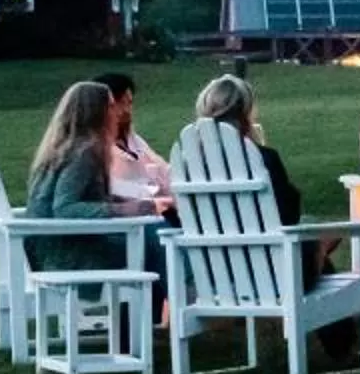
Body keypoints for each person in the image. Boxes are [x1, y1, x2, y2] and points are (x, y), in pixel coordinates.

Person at [194, 73, 330, 305]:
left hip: (218, 278)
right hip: (273, 276)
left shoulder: (192, 166)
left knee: (315, 242)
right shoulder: (265, 159)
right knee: (311, 234)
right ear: (246, 113)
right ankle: (338, 326)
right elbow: (289, 217)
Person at [24, 81, 159, 276]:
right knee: (156, 240)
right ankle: (185, 289)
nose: (117, 113)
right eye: (111, 106)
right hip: (70, 255)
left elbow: (86, 198)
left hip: (53, 248)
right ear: (96, 113)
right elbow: (65, 208)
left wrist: (133, 203)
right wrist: (127, 209)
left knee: (151, 238)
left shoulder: (61, 151)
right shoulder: (84, 153)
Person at [95, 69, 173, 202]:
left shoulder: (134, 142)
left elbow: (165, 172)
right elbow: (113, 188)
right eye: (119, 103)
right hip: (131, 210)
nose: (126, 110)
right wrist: (152, 194)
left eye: (129, 103)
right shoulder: (95, 148)